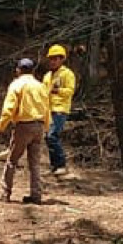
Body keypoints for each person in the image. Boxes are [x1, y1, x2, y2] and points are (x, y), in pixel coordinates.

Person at [0, 56, 52, 203]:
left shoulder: (17, 85)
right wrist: (46, 126)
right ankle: (36, 195)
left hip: (24, 126)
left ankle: (5, 193)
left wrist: (1, 126)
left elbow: (8, 108)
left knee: (12, 160)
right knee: (34, 163)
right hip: (39, 126)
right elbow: (47, 108)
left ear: (19, 70)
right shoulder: (41, 86)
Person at [41, 44, 77, 177]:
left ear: (62, 59)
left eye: (55, 59)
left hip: (60, 109)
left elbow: (70, 91)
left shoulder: (67, 74)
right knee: (48, 137)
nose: (52, 61)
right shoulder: (47, 76)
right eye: (51, 59)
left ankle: (61, 165)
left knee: (52, 135)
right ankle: (54, 166)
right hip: (48, 110)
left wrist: (56, 90)